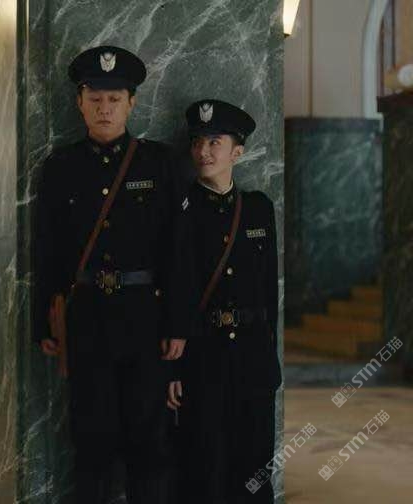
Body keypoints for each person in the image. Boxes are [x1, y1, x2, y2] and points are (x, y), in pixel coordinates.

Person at [32, 45, 190, 503]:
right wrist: (44, 321)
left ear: (131, 104)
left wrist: (178, 323)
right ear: (80, 103)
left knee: (149, 441)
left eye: (115, 99)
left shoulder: (160, 164)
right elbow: (46, 250)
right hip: (86, 320)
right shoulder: (60, 168)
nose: (105, 108)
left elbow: (178, 251)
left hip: (145, 319)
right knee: (91, 440)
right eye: (95, 99)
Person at [167, 99, 282, 503]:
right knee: (205, 467)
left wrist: (270, 356)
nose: (203, 151)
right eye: (198, 142)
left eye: (215, 142)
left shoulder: (258, 209)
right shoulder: (180, 209)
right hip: (204, 357)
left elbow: (269, 292)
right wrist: (173, 369)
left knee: (256, 467)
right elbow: (174, 289)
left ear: (238, 152)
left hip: (253, 359)